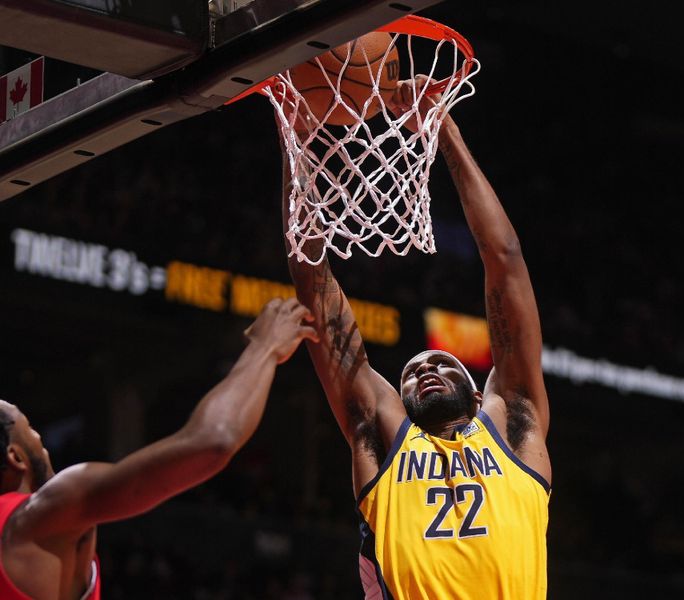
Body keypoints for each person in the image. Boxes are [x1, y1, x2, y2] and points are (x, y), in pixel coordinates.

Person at [280, 79, 551, 599]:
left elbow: (506, 260)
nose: (425, 369)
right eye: (410, 373)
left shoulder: (514, 422)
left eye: (445, 365)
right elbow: (315, 286)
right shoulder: (382, 435)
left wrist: (443, 130)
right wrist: (298, 148)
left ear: (478, 394)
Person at [0, 298, 318, 599]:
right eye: (29, 428)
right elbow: (212, 441)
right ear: (15, 457)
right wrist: (265, 347)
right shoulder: (35, 515)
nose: (41, 437)